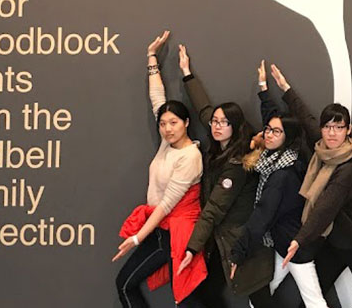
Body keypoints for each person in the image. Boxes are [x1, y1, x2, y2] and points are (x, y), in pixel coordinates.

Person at [271, 65, 352, 308]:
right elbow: (306, 119)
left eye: (339, 127)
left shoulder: (346, 167)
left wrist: (299, 240)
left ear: (349, 130)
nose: (332, 132)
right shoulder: (322, 151)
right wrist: (285, 89)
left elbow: (326, 207)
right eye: (328, 126)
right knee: (310, 301)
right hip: (333, 242)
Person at [175, 44, 275, 307]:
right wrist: (187, 74)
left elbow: (215, 208)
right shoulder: (221, 144)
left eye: (224, 123)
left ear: (235, 126)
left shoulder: (236, 162)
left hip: (239, 242)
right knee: (203, 295)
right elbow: (204, 109)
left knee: (258, 297)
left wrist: (191, 248)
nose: (217, 126)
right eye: (215, 122)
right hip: (222, 241)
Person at [113, 30, 207, 307]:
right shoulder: (168, 144)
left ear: (186, 123)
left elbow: (166, 205)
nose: (167, 128)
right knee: (189, 298)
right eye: (164, 124)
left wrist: (136, 237)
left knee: (129, 285)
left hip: (174, 233)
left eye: (173, 123)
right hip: (161, 229)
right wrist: (151, 57)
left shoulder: (190, 156)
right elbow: (158, 100)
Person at [229, 61, 329, 308]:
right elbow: (275, 123)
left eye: (276, 132)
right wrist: (264, 90)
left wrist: (239, 251)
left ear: (288, 138)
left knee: (315, 302)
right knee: (261, 293)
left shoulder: (281, 174)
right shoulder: (277, 159)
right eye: (267, 131)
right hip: (281, 243)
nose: (268, 135)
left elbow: (262, 215)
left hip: (294, 246)